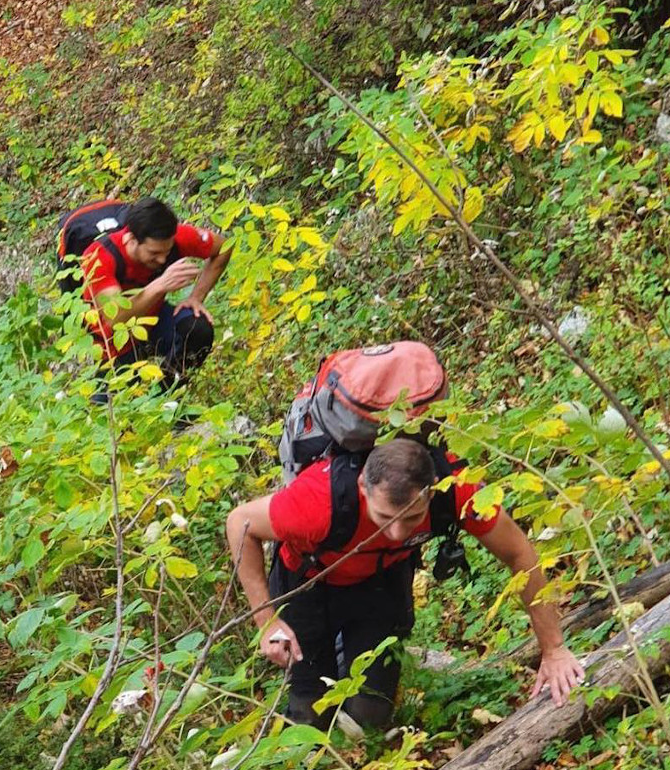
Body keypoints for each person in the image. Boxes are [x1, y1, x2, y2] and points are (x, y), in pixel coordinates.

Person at [225, 438, 585, 731]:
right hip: (308, 583)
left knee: (371, 712)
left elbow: (520, 555)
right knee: (308, 711)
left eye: (411, 518)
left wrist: (553, 649)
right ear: (363, 486)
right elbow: (239, 522)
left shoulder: (454, 491)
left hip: (380, 581)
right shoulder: (317, 501)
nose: (397, 532)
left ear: (430, 493)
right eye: (384, 517)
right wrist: (267, 620)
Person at [67, 197, 232, 384]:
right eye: (154, 253)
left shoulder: (175, 238)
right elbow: (115, 318)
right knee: (116, 407)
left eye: (167, 252)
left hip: (154, 320)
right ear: (130, 239)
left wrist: (196, 297)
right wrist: (160, 284)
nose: (162, 260)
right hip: (115, 341)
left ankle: (168, 396)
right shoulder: (99, 257)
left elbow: (223, 248)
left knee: (197, 329)